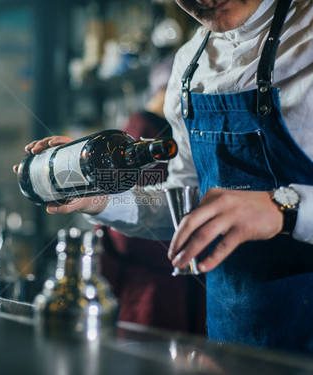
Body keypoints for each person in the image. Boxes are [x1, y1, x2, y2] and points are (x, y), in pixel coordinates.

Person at [18, 0, 313, 364]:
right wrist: (104, 200)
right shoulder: (188, 64)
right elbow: (187, 209)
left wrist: (285, 210)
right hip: (230, 353)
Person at [98, 56, 205, 334]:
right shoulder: (147, 131)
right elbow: (125, 239)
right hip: (155, 294)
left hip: (158, 287)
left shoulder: (141, 127)